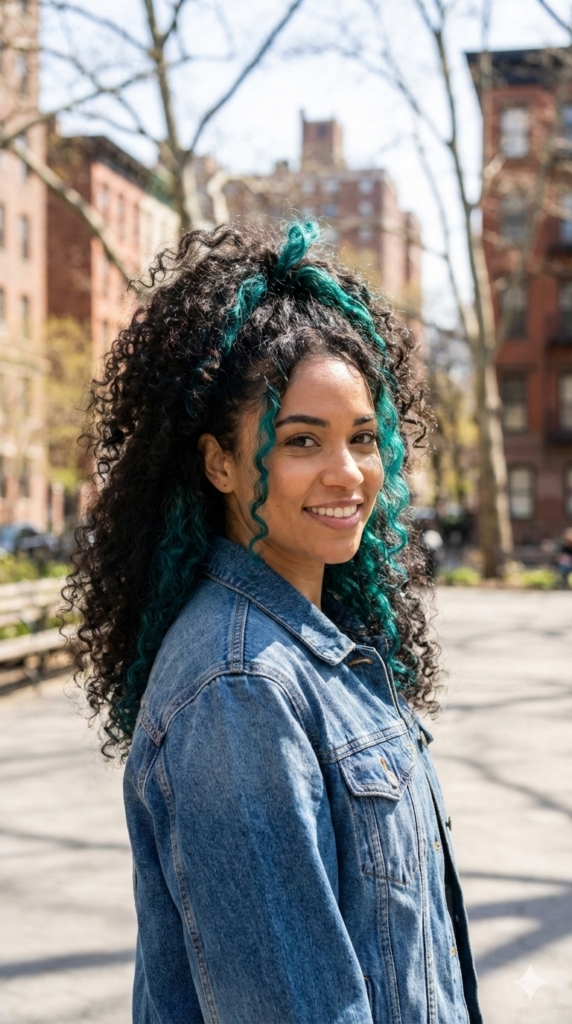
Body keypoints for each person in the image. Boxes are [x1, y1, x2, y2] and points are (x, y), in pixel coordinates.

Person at [68, 221, 482, 1024]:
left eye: (364, 438)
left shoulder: (318, 647)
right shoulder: (242, 687)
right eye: (302, 441)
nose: (348, 472)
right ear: (219, 462)